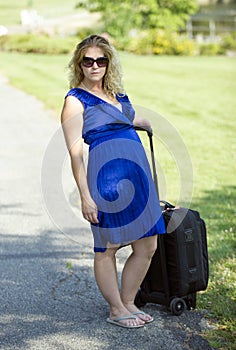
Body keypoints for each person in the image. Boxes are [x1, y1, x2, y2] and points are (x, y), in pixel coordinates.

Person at [61, 34, 166, 329]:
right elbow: (75, 153)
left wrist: (137, 122)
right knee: (107, 247)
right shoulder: (75, 100)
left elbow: (115, 118)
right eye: (88, 61)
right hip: (106, 178)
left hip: (138, 174)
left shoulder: (118, 94)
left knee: (147, 244)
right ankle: (116, 309)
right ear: (79, 64)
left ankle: (129, 301)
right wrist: (85, 195)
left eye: (101, 60)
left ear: (109, 63)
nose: (95, 66)